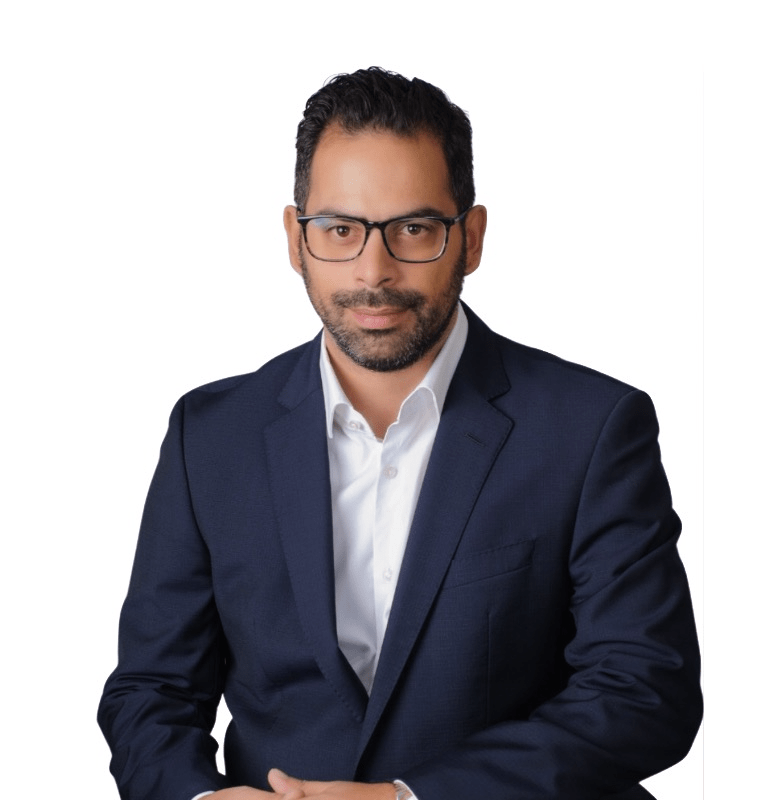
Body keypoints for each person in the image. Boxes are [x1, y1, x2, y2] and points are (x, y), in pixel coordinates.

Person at [98, 67, 702, 800]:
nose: (373, 271)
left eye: (414, 229)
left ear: (470, 238)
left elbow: (644, 690)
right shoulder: (210, 435)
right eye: (340, 230)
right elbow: (153, 691)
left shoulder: (591, 428)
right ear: (295, 239)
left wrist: (408, 799)